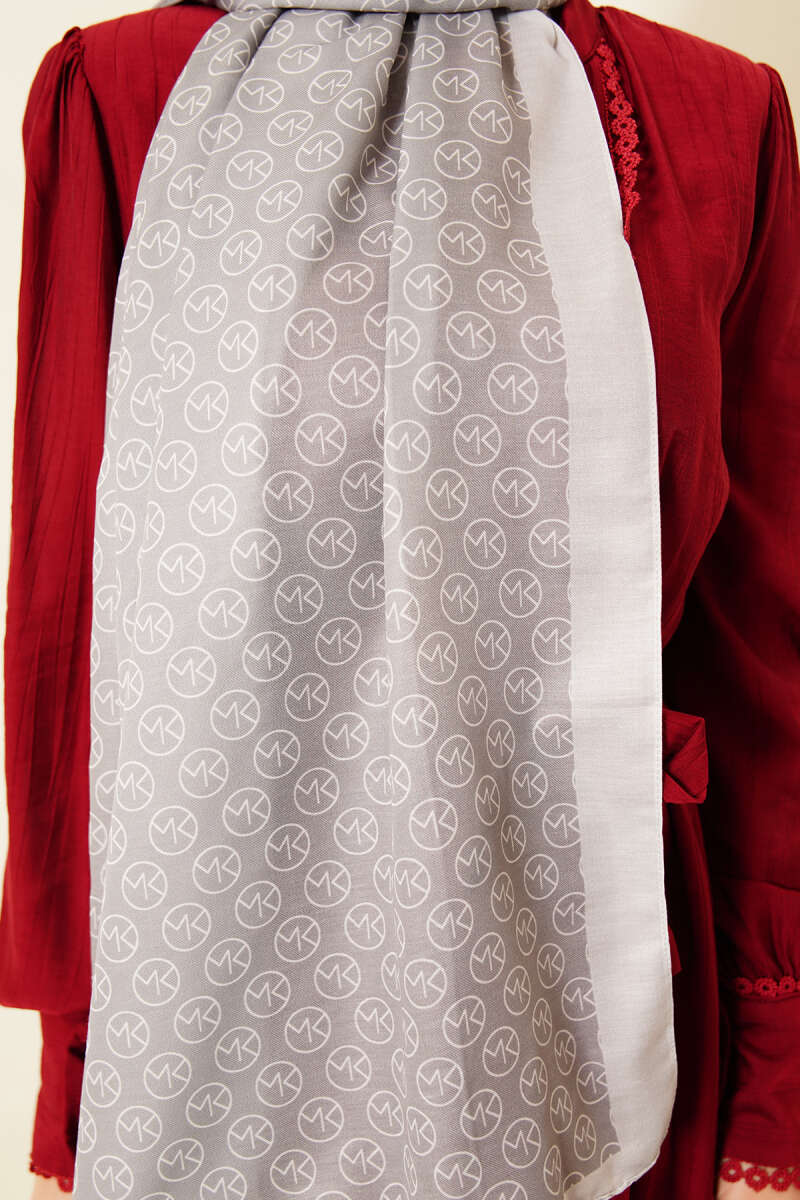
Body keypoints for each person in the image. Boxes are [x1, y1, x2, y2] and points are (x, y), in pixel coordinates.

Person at [1, 0, 798, 1196]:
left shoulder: (717, 113)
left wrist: (773, 1056)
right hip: (209, 991)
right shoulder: (119, 90)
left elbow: (757, 625)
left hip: (597, 955)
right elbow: (75, 597)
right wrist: (79, 1050)